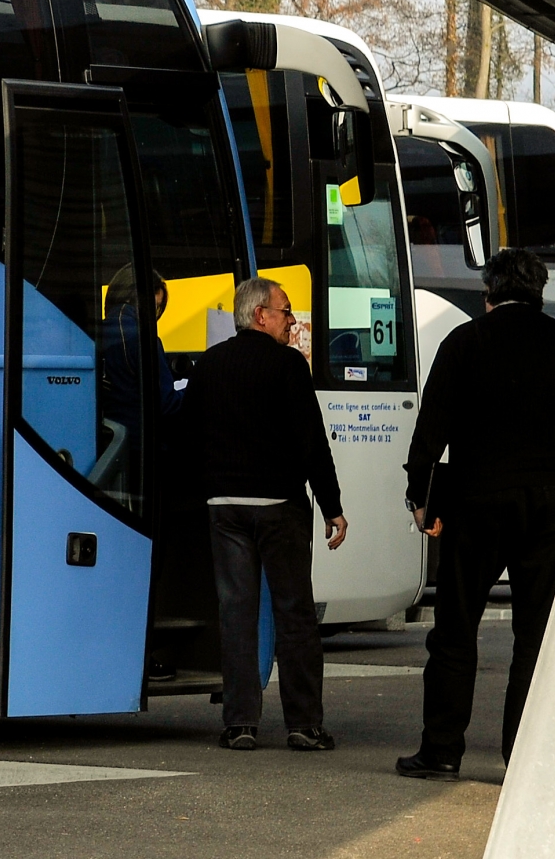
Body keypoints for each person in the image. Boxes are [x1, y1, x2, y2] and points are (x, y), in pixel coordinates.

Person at [395, 248, 555, 780]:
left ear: (488, 293)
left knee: (455, 630)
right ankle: (524, 755)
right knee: (535, 635)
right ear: (541, 293)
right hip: (554, 509)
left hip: (478, 506)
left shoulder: (464, 343)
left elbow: (431, 432)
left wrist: (419, 497)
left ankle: (442, 749)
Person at [187, 276, 346, 752]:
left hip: (225, 507)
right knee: (294, 614)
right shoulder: (287, 365)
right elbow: (310, 441)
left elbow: (188, 433)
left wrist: (209, 490)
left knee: (236, 614)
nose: (292, 320)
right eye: (285, 311)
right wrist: (332, 505)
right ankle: (303, 724)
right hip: (278, 506)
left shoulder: (210, 364)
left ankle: (239, 724)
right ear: (261, 315)